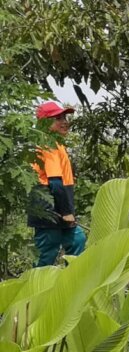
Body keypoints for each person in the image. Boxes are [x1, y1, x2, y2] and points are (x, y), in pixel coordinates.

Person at [28, 101, 87, 267]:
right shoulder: (49, 144)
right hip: (48, 208)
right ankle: (34, 289)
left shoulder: (58, 144)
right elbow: (55, 182)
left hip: (58, 205)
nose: (64, 121)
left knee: (77, 239)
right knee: (47, 253)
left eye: (64, 117)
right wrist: (67, 212)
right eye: (57, 118)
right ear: (44, 123)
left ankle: (71, 284)